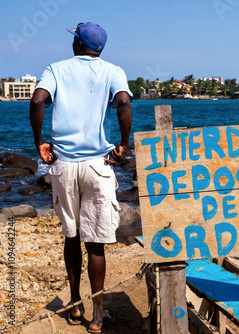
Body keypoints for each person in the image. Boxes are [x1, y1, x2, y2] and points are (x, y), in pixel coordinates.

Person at [29, 22, 132, 333]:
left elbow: (37, 101)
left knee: (71, 237)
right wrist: (123, 145)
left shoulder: (56, 69)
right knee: (96, 244)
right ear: (100, 48)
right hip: (97, 167)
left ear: (77, 44)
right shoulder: (113, 71)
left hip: (64, 166)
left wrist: (39, 142)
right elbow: (124, 102)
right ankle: (98, 316)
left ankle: (75, 307)